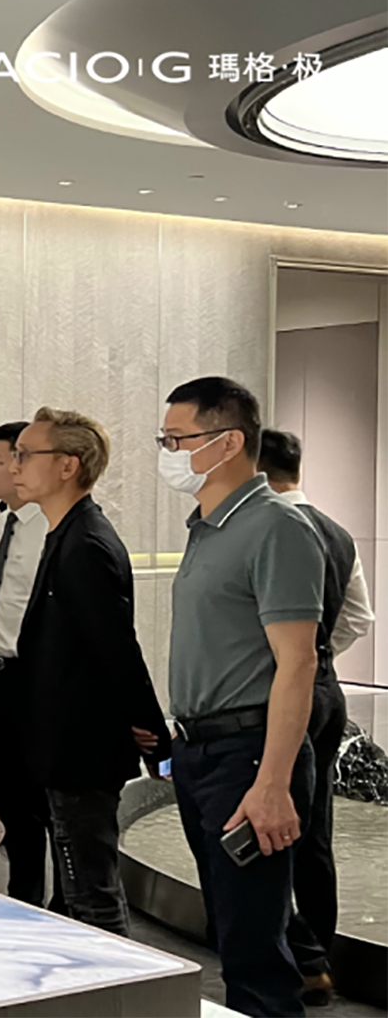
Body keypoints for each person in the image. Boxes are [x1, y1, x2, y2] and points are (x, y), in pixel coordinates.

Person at [162, 376, 322, 1018]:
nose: (169, 453)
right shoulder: (208, 526)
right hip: (201, 750)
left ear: (228, 442)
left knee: (256, 953)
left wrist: (273, 783)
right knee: (231, 933)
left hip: (249, 754)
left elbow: (298, 661)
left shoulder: (276, 527)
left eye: (177, 440)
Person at [13, 408, 170, 936]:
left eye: (25, 454)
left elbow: (115, 649)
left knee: (92, 896)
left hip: (82, 749)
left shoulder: (86, 544)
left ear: (68, 466)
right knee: (80, 889)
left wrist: (152, 732)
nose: (15, 465)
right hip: (65, 743)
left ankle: (118, 981)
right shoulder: (65, 534)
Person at [259, 429, 376, 1006]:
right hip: (327, 692)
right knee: (314, 829)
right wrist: (319, 655)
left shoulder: (268, 528)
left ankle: (290, 954)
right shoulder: (336, 532)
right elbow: (359, 618)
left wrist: (294, 659)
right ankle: (318, 957)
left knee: (265, 824)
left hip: (277, 694)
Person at [0, 420, 58, 909]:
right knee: (8, 795)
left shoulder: (50, 529)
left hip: (34, 680)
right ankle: (21, 897)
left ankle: (64, 902)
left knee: (45, 800)